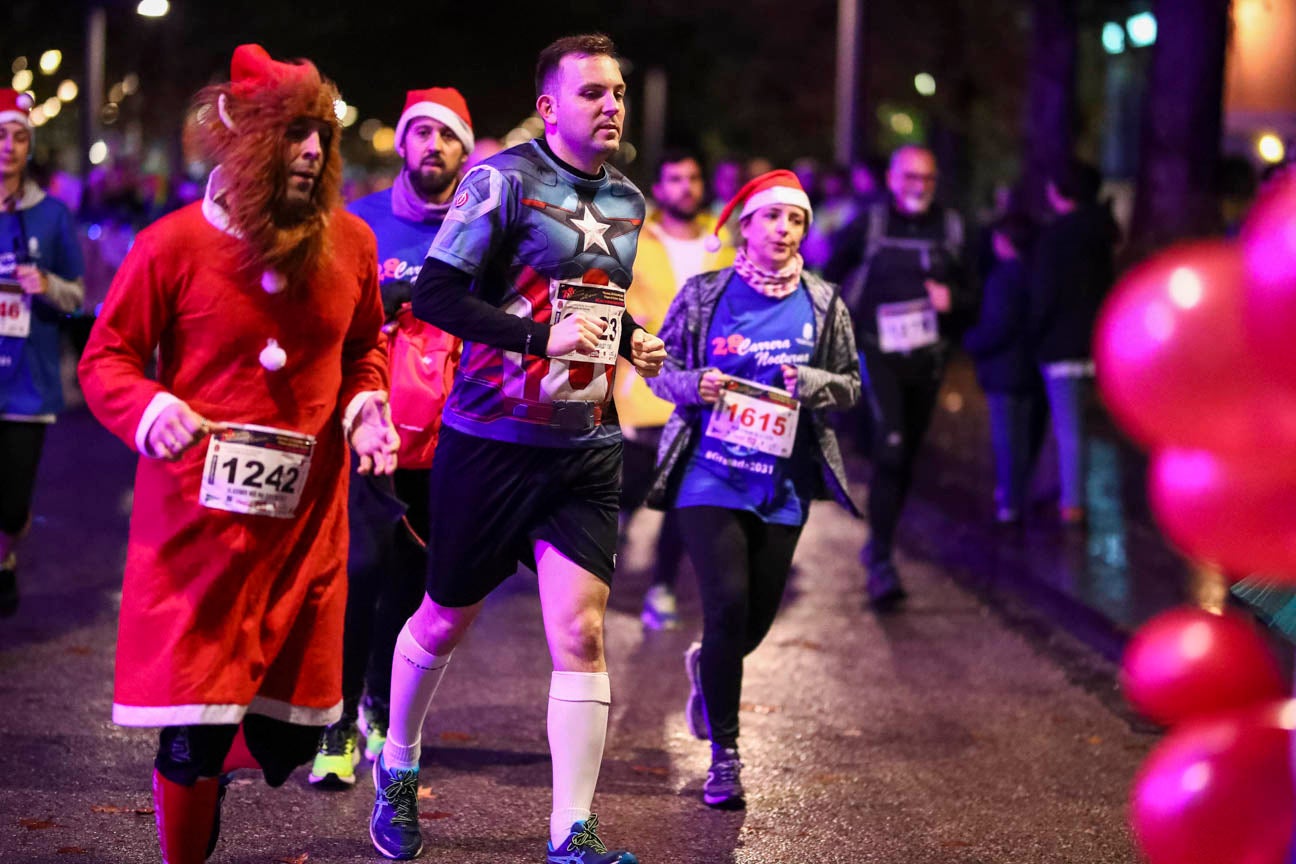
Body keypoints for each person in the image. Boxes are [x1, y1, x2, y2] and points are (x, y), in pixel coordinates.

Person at [77, 44, 398, 864]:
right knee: (191, 742)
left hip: (302, 541)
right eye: (294, 134)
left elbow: (366, 347)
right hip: (196, 539)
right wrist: (150, 406)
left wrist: (367, 408)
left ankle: (231, 762)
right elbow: (107, 358)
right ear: (245, 141)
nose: (314, 152)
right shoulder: (171, 245)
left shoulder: (353, 246)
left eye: (321, 135)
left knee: (288, 741)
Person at [367, 34, 665, 863]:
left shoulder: (629, 203)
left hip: (585, 444)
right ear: (549, 106)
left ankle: (572, 829)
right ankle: (397, 762)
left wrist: (631, 338)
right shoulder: (500, 181)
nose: (611, 106)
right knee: (443, 621)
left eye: (618, 93)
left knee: (582, 634)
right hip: (491, 438)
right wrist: (539, 338)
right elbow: (436, 293)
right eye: (594, 93)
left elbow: (590, 305)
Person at [644, 170, 860, 808]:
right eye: (773, 219)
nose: (785, 231)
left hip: (783, 483)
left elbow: (849, 384)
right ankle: (725, 755)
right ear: (747, 226)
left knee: (755, 622)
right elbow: (662, 372)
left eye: (796, 222)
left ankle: (708, 666)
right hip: (709, 475)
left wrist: (812, 382)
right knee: (727, 604)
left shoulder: (824, 302)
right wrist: (695, 386)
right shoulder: (706, 293)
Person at [309, 88, 472, 789]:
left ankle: (382, 705)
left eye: (447, 136)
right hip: (371, 432)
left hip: (452, 438)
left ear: (465, 151)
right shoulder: (357, 223)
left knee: (413, 589)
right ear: (401, 145)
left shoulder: (484, 228)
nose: (432, 146)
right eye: (421, 133)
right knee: (358, 579)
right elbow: (325, 320)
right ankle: (336, 724)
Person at [825, 144, 969, 611]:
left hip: (928, 360)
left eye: (927, 178)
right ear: (891, 179)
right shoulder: (869, 224)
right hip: (877, 353)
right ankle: (882, 562)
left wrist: (956, 302)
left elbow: (978, 292)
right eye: (910, 177)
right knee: (890, 448)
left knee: (905, 456)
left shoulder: (952, 228)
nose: (919, 187)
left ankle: (879, 541)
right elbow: (830, 274)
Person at [617, 148, 734, 630]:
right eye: (675, 179)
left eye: (693, 177)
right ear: (660, 189)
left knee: (683, 491)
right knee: (633, 484)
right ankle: (619, 523)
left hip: (702, 390)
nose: (686, 186)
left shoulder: (723, 240)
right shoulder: (637, 240)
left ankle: (662, 586)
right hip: (646, 387)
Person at [0, 89, 85, 617]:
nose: (8, 146)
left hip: (28, 386)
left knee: (10, 501)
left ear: (29, 146)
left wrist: (47, 283)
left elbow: (79, 295)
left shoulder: (52, 215)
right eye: (0, 136)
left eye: (18, 136)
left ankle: (5, 559)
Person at [1028, 158, 1117, 526]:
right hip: (1093, 342)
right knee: (1073, 423)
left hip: (1060, 344)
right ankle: (1062, 489)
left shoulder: (1056, 238)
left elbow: (1045, 294)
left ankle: (1072, 503)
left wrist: (1034, 330)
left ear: (1060, 192)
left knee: (1067, 427)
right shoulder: (1104, 234)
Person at [962, 213, 1034, 524]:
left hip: (1004, 370)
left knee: (1007, 439)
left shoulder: (1002, 278)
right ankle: (1018, 494)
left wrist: (970, 342)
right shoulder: (1034, 274)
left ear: (1004, 242)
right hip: (1028, 368)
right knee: (1023, 437)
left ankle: (1010, 501)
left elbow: (997, 326)